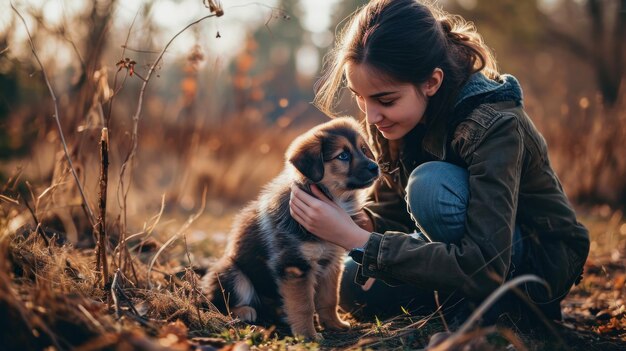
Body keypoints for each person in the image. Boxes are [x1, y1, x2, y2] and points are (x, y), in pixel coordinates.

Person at [289, 0, 590, 330]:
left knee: (429, 187)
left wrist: (357, 240)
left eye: (385, 100)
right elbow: (393, 211)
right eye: (360, 97)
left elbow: (484, 261)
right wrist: (361, 224)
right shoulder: (394, 122)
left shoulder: (494, 126)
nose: (371, 116)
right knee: (351, 283)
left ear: (432, 82)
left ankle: (508, 308)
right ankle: (455, 299)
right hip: (454, 252)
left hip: (532, 262)